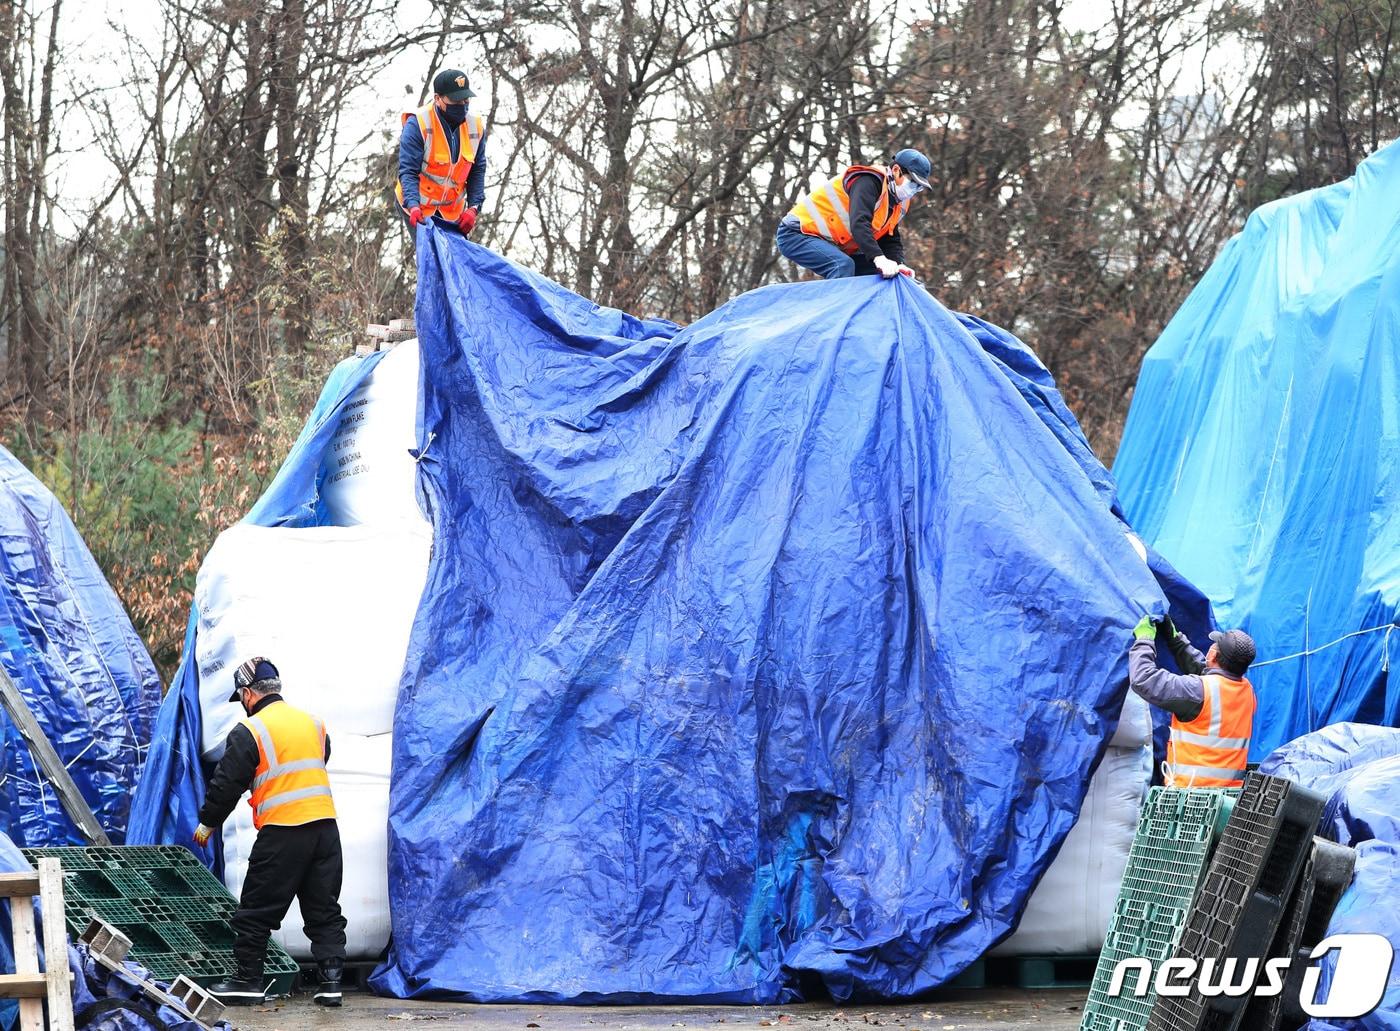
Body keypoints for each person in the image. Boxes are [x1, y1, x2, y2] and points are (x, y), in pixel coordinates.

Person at [195, 657, 347, 1008]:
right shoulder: (314, 724)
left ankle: (247, 981)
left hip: (283, 831)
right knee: (323, 908)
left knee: (256, 909)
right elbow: (317, 761)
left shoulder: (251, 731)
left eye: (241, 698)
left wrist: (207, 823)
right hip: (325, 829)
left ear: (248, 694)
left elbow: (226, 784)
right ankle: (331, 982)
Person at [1129, 617, 1257, 788]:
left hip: (1188, 800)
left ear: (1213, 654)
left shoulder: (1199, 691)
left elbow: (1144, 679)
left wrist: (1144, 640)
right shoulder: (1247, 692)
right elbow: (1208, 673)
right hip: (1227, 800)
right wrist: (1176, 641)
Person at [776, 148, 932, 280]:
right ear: (896, 171)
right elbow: (859, 223)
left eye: (919, 188)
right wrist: (879, 258)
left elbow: (889, 238)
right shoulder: (869, 181)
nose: (913, 191)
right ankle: (835, 316)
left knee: (886, 275)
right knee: (842, 265)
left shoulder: (899, 201)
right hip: (796, 234)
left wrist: (898, 263)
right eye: (912, 183)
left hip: (832, 244)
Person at [396, 68, 488, 238]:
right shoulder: (419, 124)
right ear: (438, 98)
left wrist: (474, 207)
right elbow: (408, 171)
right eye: (455, 101)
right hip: (418, 207)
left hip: (452, 210)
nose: (462, 106)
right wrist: (413, 206)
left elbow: (478, 169)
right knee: (431, 257)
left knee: (455, 261)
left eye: (466, 100)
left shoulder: (475, 127)